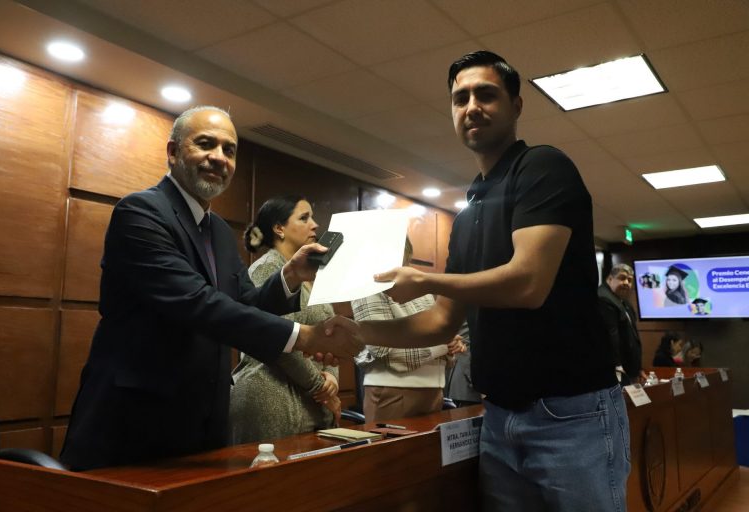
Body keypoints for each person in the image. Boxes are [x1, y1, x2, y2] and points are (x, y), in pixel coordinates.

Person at [333, 51, 628, 511]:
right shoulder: (469, 213)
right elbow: (440, 323)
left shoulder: (543, 167)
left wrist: (428, 280)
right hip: (499, 416)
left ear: (516, 105)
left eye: (486, 95)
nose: (471, 107)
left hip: (571, 413)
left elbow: (528, 284)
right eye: (460, 98)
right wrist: (357, 333)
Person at [60, 106, 361, 471]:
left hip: (204, 417)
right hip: (135, 418)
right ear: (173, 152)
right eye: (205, 144)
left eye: (229, 150)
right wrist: (305, 337)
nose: (219, 157)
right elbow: (197, 304)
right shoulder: (140, 212)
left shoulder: (217, 229)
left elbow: (246, 302)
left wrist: (292, 275)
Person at [230, 195, 340, 443]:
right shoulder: (265, 268)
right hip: (270, 397)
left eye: (312, 217)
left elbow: (330, 332)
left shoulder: (314, 275)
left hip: (313, 401)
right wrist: (320, 387)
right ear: (279, 228)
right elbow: (275, 338)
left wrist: (332, 377)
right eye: (304, 218)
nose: (315, 225)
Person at [351, 238, 467, 423]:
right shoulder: (369, 283)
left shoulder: (416, 282)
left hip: (434, 388)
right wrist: (442, 345)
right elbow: (382, 348)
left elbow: (434, 335)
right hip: (393, 389)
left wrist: (450, 345)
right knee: (392, 444)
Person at [598, 263, 645, 385]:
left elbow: (632, 337)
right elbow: (610, 336)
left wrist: (638, 369)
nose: (626, 283)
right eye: (622, 278)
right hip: (617, 372)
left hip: (628, 371)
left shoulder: (624, 303)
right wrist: (617, 365)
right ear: (610, 279)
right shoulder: (604, 299)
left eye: (629, 280)